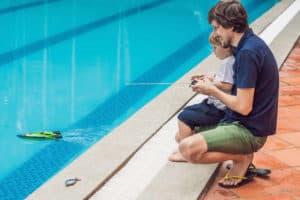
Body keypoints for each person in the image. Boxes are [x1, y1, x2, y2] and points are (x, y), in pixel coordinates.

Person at [169, 0, 279, 188]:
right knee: (182, 137)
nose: (215, 34)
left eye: (216, 28)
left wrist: (211, 90)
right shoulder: (246, 45)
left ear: (231, 26)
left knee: (188, 149)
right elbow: (237, 81)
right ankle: (239, 154)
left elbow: (244, 107)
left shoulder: (247, 54)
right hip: (236, 120)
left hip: (249, 130)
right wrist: (212, 79)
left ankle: (242, 157)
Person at [170, 33, 235, 150]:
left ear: (226, 48)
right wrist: (209, 78)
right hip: (216, 105)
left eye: (215, 47)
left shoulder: (227, 62)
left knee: (183, 116)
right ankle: (191, 142)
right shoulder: (231, 61)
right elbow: (226, 79)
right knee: (183, 125)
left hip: (218, 109)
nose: (213, 51)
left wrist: (208, 84)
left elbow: (227, 85)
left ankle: (186, 151)